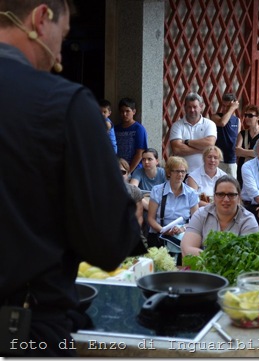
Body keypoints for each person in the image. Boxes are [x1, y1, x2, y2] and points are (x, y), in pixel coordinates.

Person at [0, 1, 146, 356]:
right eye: (63, 38)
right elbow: (109, 244)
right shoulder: (64, 103)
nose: (59, 54)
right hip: (25, 327)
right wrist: (129, 207)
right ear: (41, 17)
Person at [181, 175, 259, 257]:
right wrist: (213, 260)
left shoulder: (248, 221)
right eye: (221, 194)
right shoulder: (201, 214)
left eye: (231, 195)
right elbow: (187, 248)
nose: (226, 199)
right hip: (201, 269)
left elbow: (245, 257)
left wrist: (210, 259)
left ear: (239, 198)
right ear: (214, 197)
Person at [147, 156, 199, 249]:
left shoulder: (191, 193)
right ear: (169, 172)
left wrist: (182, 228)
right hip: (159, 237)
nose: (180, 174)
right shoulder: (157, 190)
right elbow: (151, 219)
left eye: (183, 171)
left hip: (182, 237)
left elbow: (196, 220)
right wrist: (163, 230)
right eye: (177, 171)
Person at [169, 92, 217, 173]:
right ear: (185, 108)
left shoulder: (210, 124)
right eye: (189, 107)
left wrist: (187, 142)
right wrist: (202, 150)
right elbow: (177, 149)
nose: (192, 110)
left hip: (204, 173)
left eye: (195, 107)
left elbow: (209, 144)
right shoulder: (177, 125)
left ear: (201, 107)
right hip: (182, 173)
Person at [235, 104, 259, 187]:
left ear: (258, 117)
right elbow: (237, 152)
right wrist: (254, 152)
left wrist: (244, 152)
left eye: (250, 115)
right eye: (245, 115)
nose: (246, 118)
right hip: (243, 168)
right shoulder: (242, 133)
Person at [211, 93, 241, 178]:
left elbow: (237, 137)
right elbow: (222, 123)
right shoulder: (216, 116)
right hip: (219, 159)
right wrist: (231, 108)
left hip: (232, 159)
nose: (225, 109)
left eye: (228, 106)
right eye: (223, 106)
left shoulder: (237, 120)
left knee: (232, 185)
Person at [115, 97, 148, 174]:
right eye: (122, 111)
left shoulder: (138, 128)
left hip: (134, 170)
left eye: (127, 111)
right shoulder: (116, 129)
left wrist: (129, 172)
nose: (124, 114)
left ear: (134, 111)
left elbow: (140, 153)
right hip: (118, 168)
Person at [119, 158, 144, 227]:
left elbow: (139, 218)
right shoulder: (102, 191)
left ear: (128, 174)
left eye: (122, 172)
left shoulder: (135, 191)